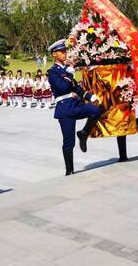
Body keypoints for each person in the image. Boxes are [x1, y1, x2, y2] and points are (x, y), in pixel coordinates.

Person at [47, 39, 102, 176]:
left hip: (76, 105)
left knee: (96, 110)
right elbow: (63, 87)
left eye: (65, 51)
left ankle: (83, 134)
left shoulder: (66, 70)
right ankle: (69, 170)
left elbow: (77, 89)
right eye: (61, 52)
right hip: (64, 109)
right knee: (68, 141)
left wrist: (90, 97)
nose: (65, 54)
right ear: (54, 54)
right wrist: (70, 74)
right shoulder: (53, 72)